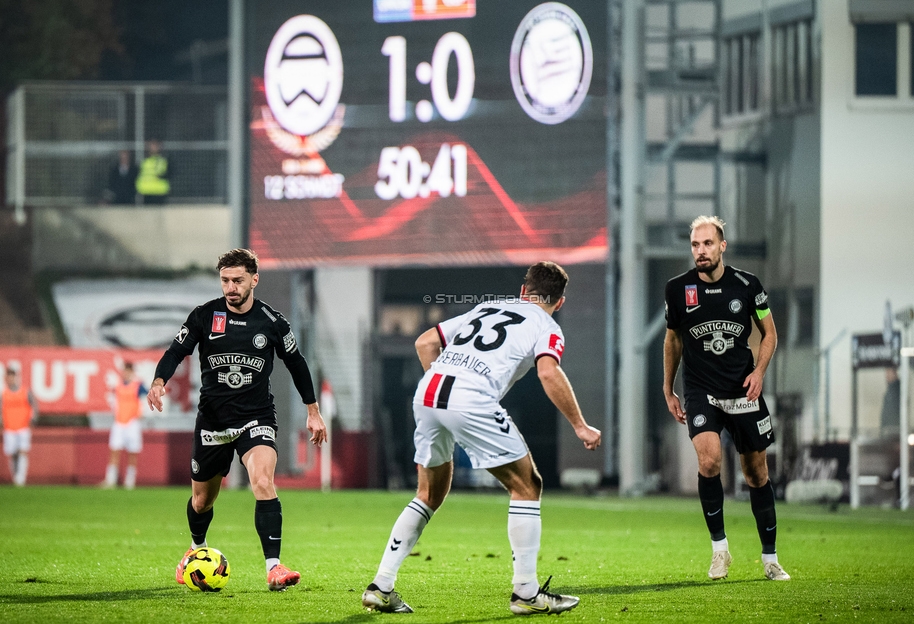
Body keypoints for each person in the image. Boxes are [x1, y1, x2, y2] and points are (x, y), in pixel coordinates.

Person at [361, 261, 601, 615]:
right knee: (527, 485)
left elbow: (425, 342)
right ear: (560, 302)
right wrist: (580, 425)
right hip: (470, 397)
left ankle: (381, 586)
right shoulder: (547, 326)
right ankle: (526, 593)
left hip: (429, 393)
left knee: (428, 494)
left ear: (524, 290)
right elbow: (549, 373)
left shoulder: (488, 307)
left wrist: (447, 401)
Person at [147, 248, 327, 591]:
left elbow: (297, 363)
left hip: (256, 418)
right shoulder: (204, 315)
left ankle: (274, 568)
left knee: (263, 482)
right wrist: (158, 381)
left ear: (254, 280)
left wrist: (313, 410)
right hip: (213, 422)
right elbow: (176, 351)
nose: (231, 287)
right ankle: (196, 549)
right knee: (202, 501)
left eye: (238, 281)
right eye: (225, 280)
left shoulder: (272, 322)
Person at [663, 215, 790, 582]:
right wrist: (668, 389)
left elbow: (769, 333)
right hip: (701, 391)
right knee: (709, 461)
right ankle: (720, 550)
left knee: (756, 473)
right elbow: (673, 339)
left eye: (707, 244)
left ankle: (770, 558)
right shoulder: (677, 289)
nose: (700, 251)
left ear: (722, 246)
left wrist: (759, 372)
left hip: (743, 390)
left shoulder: (748, 286)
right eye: (695, 245)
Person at [102, 362, 148, 489]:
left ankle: (130, 481)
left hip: (132, 422)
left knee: (133, 452)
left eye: (128, 371)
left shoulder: (138, 386)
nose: (125, 374)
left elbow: (148, 395)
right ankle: (110, 479)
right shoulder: (117, 386)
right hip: (119, 422)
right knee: (114, 450)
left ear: (132, 372)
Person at [1, 366, 39, 487]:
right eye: (8, 377)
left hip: (23, 426)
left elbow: (34, 406)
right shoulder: (4, 394)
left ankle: (21, 478)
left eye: (12, 377)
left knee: (23, 451)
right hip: (9, 427)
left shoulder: (25, 391)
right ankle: (15, 476)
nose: (10, 379)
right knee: (12, 453)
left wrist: (33, 419)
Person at [135, 139, 170, 205]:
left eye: (155, 146)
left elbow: (168, 173)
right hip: (146, 191)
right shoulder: (144, 160)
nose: (153, 148)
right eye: (152, 145)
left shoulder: (163, 160)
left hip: (159, 191)